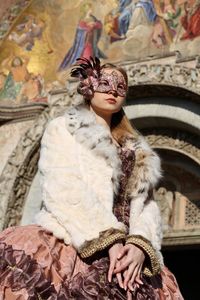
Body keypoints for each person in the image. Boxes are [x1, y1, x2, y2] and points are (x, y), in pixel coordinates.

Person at [0, 56, 184, 299]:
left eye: (120, 87)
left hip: (129, 259)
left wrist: (139, 245)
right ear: (89, 87)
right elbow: (63, 186)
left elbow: (147, 205)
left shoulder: (137, 149)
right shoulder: (64, 129)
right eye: (105, 83)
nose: (113, 91)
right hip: (73, 244)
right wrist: (109, 240)